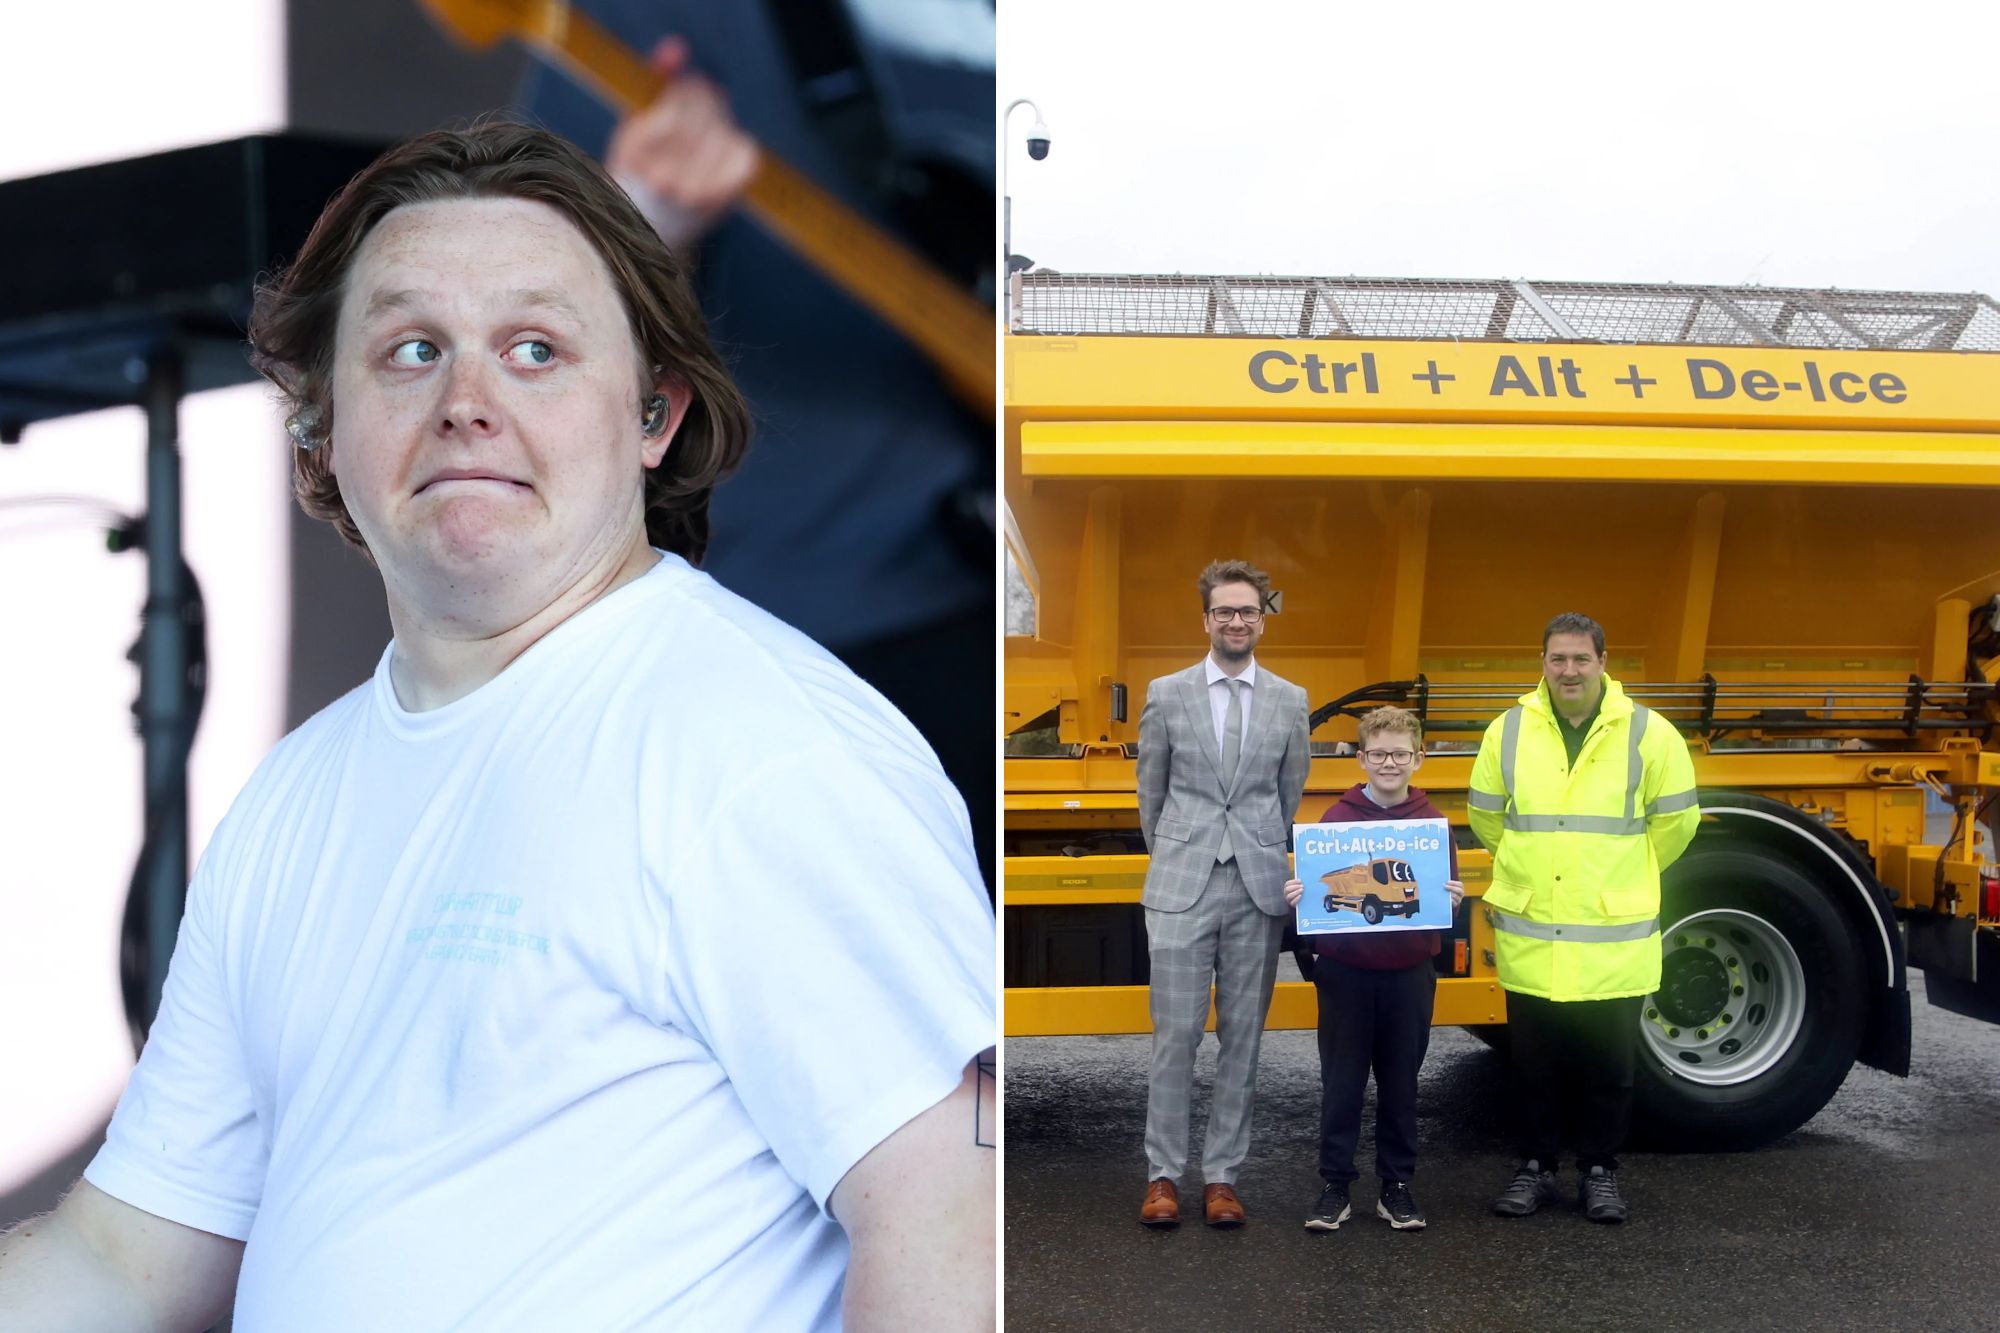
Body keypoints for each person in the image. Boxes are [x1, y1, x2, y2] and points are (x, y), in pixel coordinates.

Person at [0, 123, 995, 1330]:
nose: (467, 403)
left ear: (653, 418)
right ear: (319, 423)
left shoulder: (762, 752)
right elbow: (120, 1260)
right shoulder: (293, 801)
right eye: (411, 350)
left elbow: (955, 1215)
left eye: (535, 350)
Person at [520, 2, 995, 885]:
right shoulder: (649, 18)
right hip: (831, 630)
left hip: (1084, 587)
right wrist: (641, 226)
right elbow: (521, 334)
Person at [1468, 612, 1698, 1224]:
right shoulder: (1508, 731)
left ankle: (1600, 1172)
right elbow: (1488, 817)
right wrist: (1534, 868)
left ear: (1603, 661)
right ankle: (1535, 1169)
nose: (1568, 670)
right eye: (1557, 659)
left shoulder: (1649, 733)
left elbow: (1676, 825)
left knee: (1609, 1069)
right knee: (1533, 1066)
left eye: (1580, 658)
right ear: (1541, 663)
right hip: (1535, 931)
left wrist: (1620, 876)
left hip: (1609, 935)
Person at [1136, 559, 1311, 1228]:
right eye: (1224, 611)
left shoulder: (1291, 699)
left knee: (1243, 1038)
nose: (1236, 621)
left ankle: (1222, 1177)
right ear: (1206, 618)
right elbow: (1151, 794)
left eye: (1248, 611)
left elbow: (1287, 791)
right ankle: (1161, 1175)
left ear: (1263, 616)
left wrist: (1257, 846)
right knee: (1174, 1036)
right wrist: (1184, 849)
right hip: (1182, 883)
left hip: (1258, 885)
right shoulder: (1167, 692)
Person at [1281, 706, 1464, 1233]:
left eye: (1400, 754)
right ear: (1361, 758)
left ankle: (1397, 1187)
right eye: (1379, 754)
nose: (1389, 763)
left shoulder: (1433, 827)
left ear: (1418, 759)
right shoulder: (1335, 822)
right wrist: (1299, 895)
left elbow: (1442, 896)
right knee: (1342, 1081)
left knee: (1402, 1082)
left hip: (1410, 972)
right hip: (1346, 972)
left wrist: (1452, 900)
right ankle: (1335, 1185)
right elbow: (1315, 894)